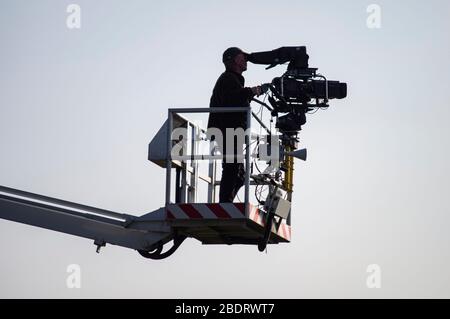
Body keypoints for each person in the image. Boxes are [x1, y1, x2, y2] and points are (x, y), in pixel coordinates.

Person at [207, 47, 269, 202]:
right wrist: (255, 90)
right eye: (243, 57)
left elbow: (236, 97)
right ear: (234, 60)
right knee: (232, 167)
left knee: (239, 173)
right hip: (226, 129)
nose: (246, 60)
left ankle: (227, 202)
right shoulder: (228, 78)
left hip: (230, 129)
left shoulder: (232, 79)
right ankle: (225, 205)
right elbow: (235, 97)